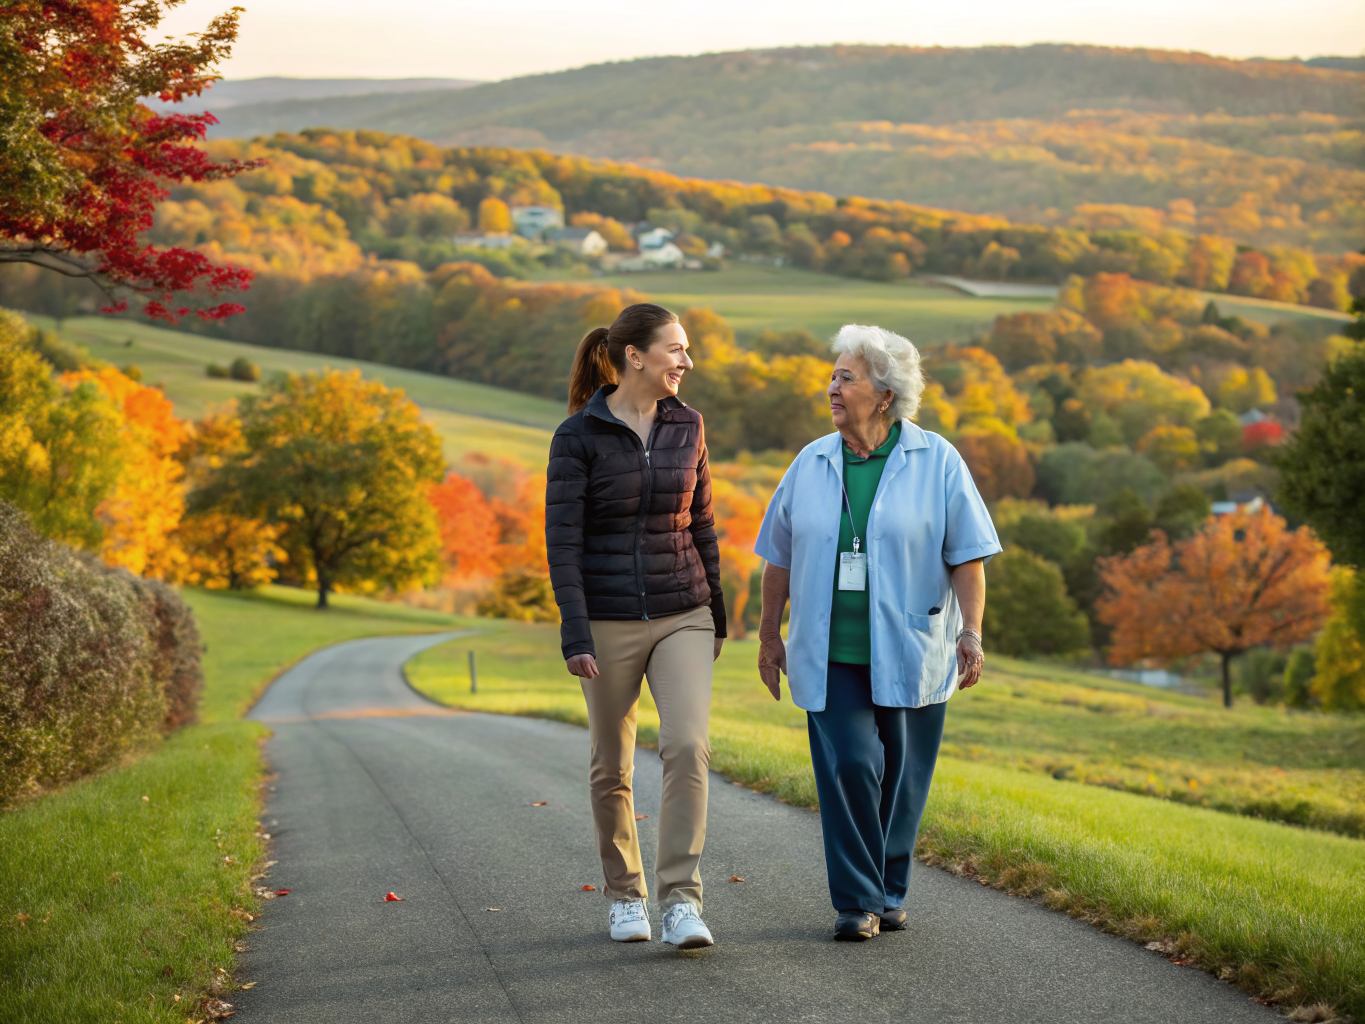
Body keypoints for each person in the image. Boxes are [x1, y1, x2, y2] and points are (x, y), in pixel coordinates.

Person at [754, 323, 1000, 942]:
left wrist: (971, 633)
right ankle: (857, 901)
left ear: (885, 393)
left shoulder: (937, 459)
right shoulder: (810, 463)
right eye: (834, 376)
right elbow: (776, 558)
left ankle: (890, 890)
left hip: (914, 645)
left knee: (904, 778)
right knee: (853, 767)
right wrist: (767, 637)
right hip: (830, 650)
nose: (831, 388)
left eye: (846, 378)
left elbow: (966, 557)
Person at [545, 302, 726, 950]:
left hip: (683, 610)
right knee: (610, 765)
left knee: (685, 747)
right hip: (607, 617)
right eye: (676, 349)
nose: (686, 361)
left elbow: (701, 521)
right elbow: (562, 543)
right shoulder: (577, 437)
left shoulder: (689, 426)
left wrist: (718, 613)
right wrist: (575, 630)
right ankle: (625, 895)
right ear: (634, 356)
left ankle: (681, 901)